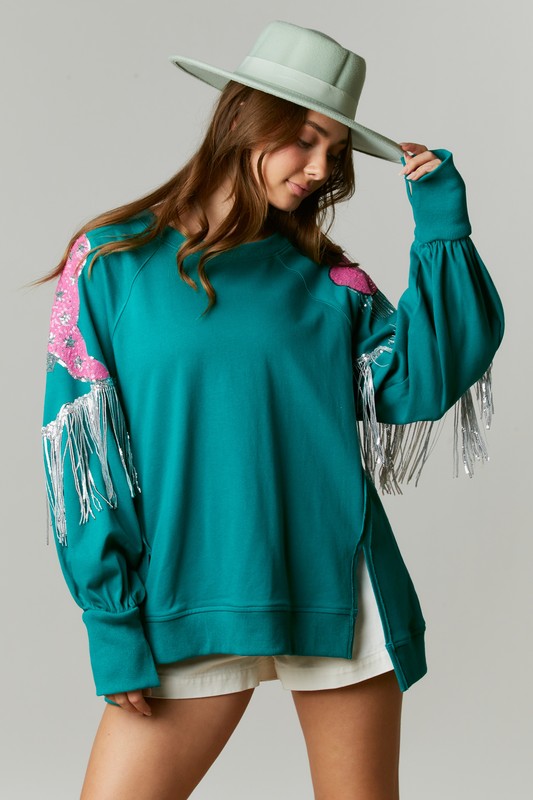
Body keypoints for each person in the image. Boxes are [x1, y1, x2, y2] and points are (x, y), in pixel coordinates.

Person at [37, 19, 504, 800]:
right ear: (241, 117)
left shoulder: (326, 279)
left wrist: (441, 225)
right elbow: (82, 452)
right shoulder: (112, 261)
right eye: (304, 139)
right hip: (191, 589)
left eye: (335, 151)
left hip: (334, 588)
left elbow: (419, 382)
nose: (319, 169)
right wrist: (111, 623)